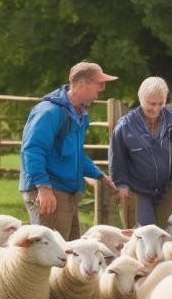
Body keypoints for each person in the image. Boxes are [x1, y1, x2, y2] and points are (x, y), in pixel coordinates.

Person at [19, 61, 118, 240]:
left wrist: (99, 176)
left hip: (66, 192)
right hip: (50, 191)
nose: (102, 89)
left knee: (70, 253)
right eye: (99, 84)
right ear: (81, 85)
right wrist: (43, 188)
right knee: (52, 255)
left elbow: (76, 154)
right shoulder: (49, 112)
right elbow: (33, 150)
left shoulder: (79, 113)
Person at [108, 77, 172, 229]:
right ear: (141, 98)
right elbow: (117, 158)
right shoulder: (125, 125)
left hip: (167, 189)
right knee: (144, 233)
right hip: (137, 190)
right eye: (151, 103)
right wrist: (121, 184)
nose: (156, 109)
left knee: (167, 234)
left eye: (160, 104)